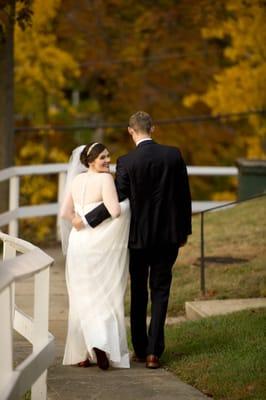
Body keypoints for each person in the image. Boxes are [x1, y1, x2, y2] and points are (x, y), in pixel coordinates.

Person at [73, 111, 192, 369]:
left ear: (130, 131)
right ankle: (153, 353)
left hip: (138, 239)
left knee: (139, 291)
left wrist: (86, 219)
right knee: (160, 291)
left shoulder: (127, 161)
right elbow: (184, 197)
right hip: (168, 237)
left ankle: (140, 348)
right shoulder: (174, 155)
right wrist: (184, 233)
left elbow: (117, 198)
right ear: (153, 128)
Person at [60, 143, 130, 370]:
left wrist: (77, 220)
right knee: (103, 294)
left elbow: (65, 213)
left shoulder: (76, 180)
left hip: (78, 244)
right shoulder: (105, 180)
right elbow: (115, 210)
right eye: (103, 157)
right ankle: (100, 344)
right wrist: (127, 204)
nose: (108, 161)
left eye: (109, 156)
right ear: (90, 161)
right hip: (98, 244)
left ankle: (82, 352)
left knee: (81, 295)